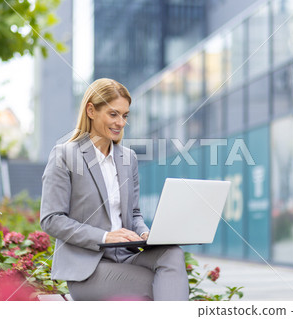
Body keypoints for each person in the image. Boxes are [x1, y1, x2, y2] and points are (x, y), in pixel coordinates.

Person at [40, 78, 189, 301]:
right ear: (91, 110)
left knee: (172, 254)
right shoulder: (65, 155)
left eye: (125, 115)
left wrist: (144, 233)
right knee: (161, 284)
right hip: (89, 269)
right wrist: (105, 236)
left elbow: (134, 214)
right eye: (113, 114)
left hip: (126, 257)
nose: (121, 122)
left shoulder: (128, 158)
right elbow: (51, 219)